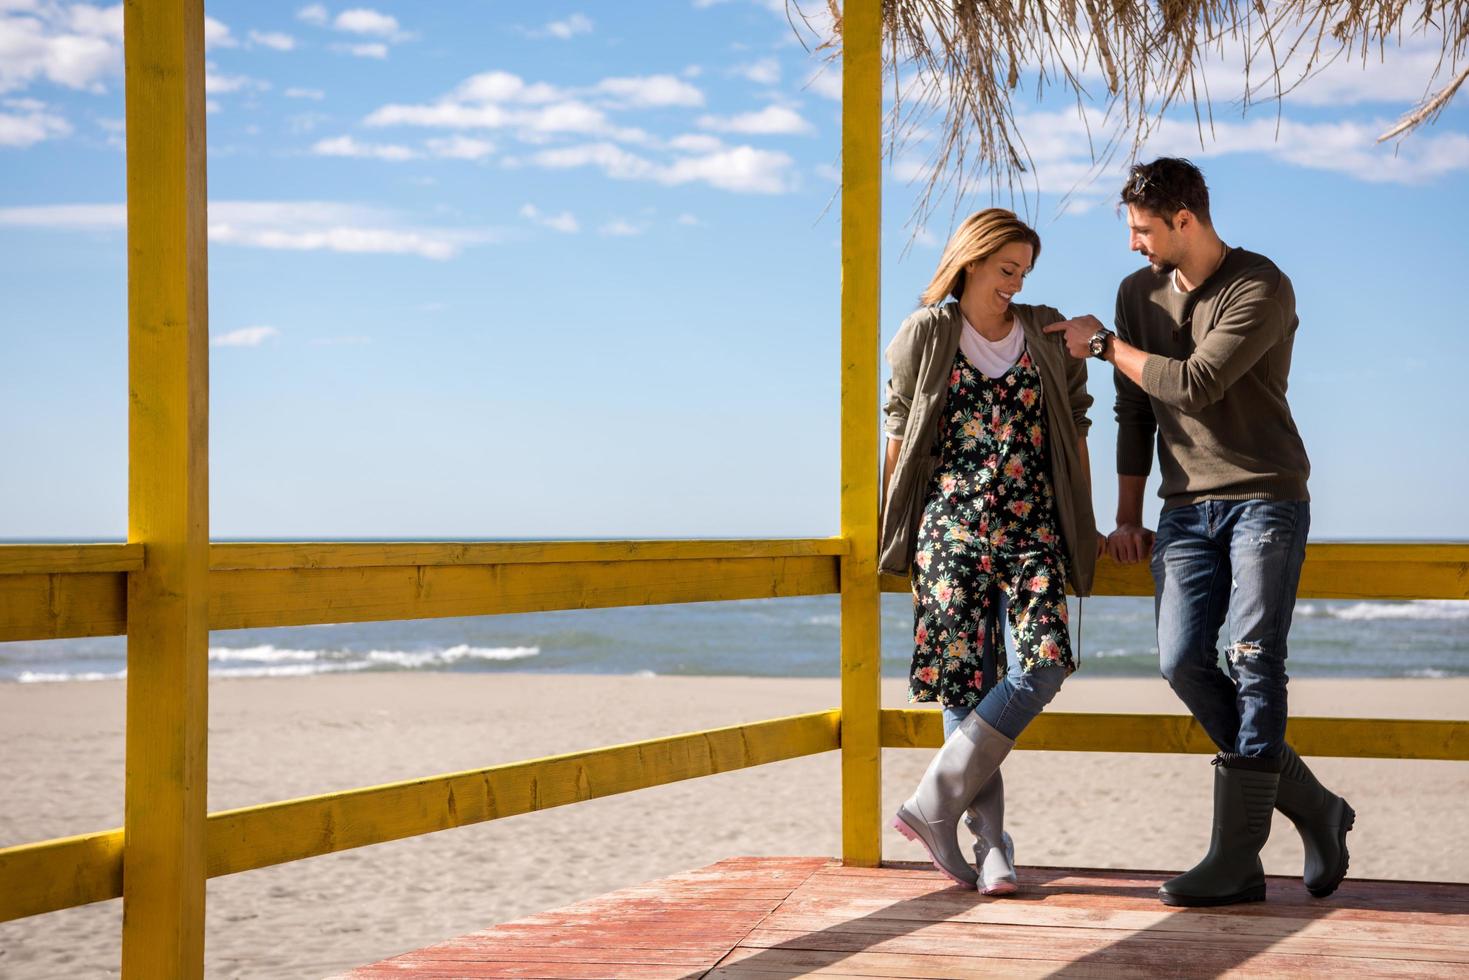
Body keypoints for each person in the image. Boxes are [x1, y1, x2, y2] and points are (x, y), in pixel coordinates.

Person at [1044, 158, 1354, 907]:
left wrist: (1097, 345)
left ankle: (1237, 860)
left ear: (1186, 220)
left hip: (1262, 496)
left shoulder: (1260, 286)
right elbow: (1135, 411)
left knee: (1252, 658)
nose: (1132, 245)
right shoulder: (1137, 291)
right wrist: (1126, 515)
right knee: (1182, 660)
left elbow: (1194, 384)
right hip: (1182, 509)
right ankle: (1314, 805)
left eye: (1142, 230)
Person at [880, 208, 1100, 893]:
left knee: (1045, 663)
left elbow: (1076, 425)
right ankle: (991, 846)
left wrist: (1084, 522)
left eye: (1024, 272)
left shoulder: (1043, 329)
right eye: (1006, 268)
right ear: (971, 261)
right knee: (964, 684)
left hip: (1033, 526)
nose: (1015, 282)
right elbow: (897, 430)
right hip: (948, 526)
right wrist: (890, 527)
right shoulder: (928, 330)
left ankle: (932, 804)